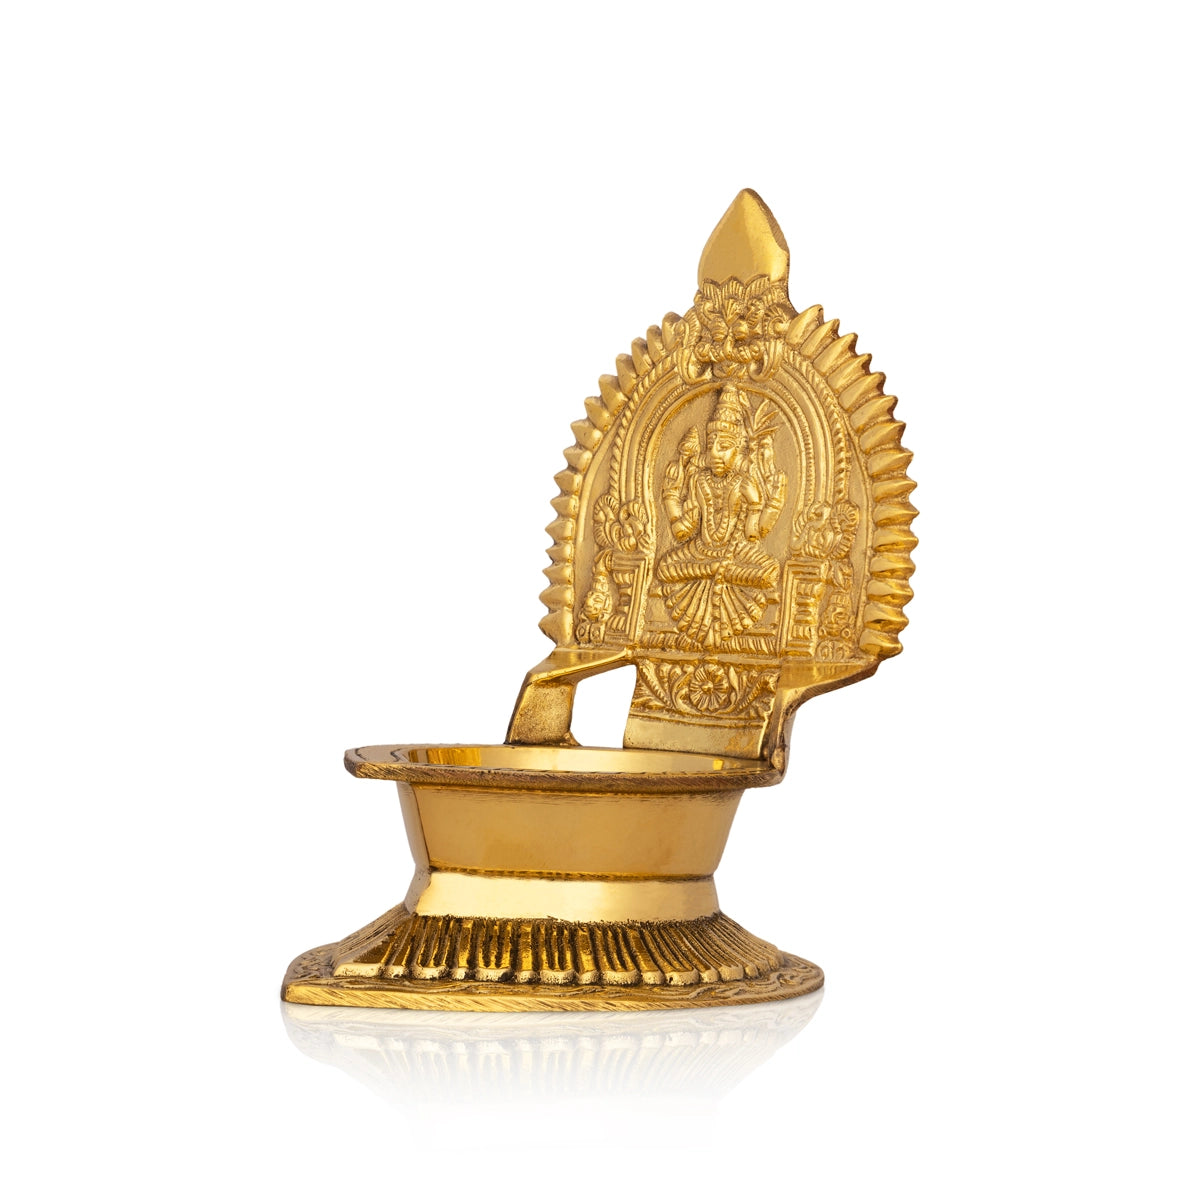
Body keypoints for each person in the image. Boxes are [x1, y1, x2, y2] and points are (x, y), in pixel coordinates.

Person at [657, 384, 787, 648]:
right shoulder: (698, 479)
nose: (716, 452)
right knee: (664, 567)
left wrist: (772, 501)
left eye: (724, 446)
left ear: (738, 449)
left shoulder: (744, 483)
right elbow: (683, 530)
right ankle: (714, 572)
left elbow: (753, 533)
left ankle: (716, 573)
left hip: (736, 554)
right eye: (712, 445)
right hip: (700, 552)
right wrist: (671, 494)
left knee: (768, 572)